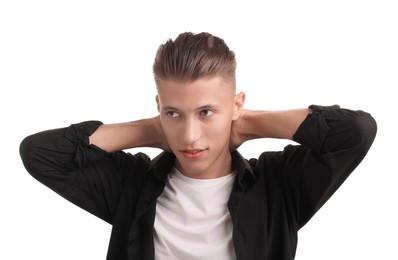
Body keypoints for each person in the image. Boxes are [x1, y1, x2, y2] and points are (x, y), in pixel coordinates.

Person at [20, 32, 377, 260]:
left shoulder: (278, 185)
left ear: (236, 105)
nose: (190, 137)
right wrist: (153, 130)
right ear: (158, 107)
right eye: (174, 113)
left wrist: (249, 123)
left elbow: (355, 132)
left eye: (207, 111)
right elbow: (40, 154)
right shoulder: (130, 186)